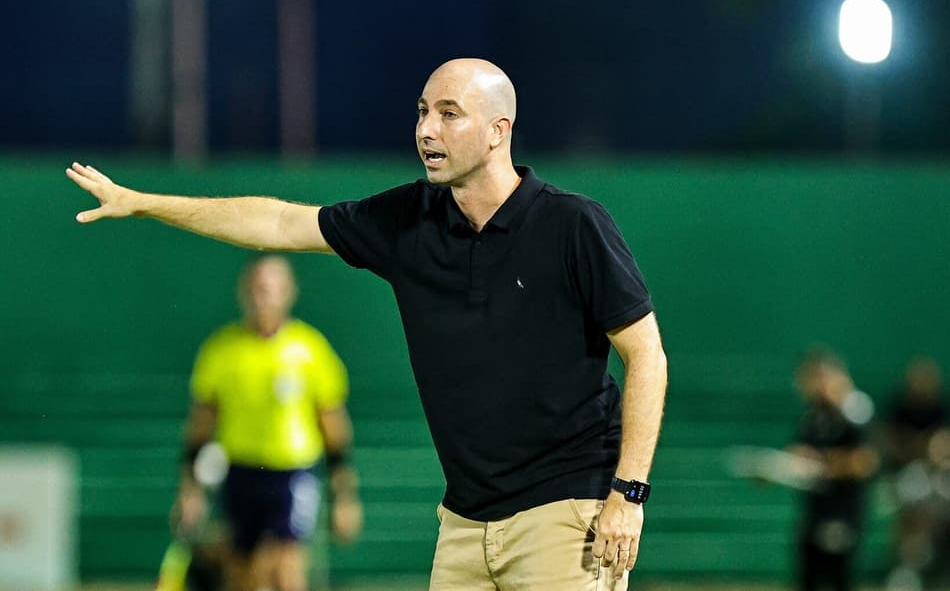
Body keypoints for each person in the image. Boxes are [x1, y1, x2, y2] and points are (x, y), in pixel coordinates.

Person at [66, 58, 667, 591]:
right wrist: (143, 201)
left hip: (566, 516)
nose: (426, 129)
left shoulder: (574, 225)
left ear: (497, 131)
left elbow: (646, 356)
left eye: (448, 114)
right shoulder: (408, 219)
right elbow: (276, 225)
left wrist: (628, 495)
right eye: (423, 111)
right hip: (462, 524)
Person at [172, 255, 363, 591]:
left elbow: (333, 427)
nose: (264, 298)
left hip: (293, 472)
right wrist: (190, 490)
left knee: (286, 570)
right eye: (258, 289)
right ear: (244, 293)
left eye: (273, 289)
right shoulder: (222, 350)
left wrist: (344, 496)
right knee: (243, 573)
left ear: (289, 293)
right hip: (240, 470)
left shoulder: (310, 350)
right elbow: (200, 424)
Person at [790, 346, 879, 591]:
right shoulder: (813, 413)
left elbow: (864, 461)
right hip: (815, 509)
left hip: (843, 510)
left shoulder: (854, 409)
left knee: (839, 579)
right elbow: (802, 452)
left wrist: (820, 464)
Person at [883, 357, 950, 591]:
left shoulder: (940, 407)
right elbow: (892, 442)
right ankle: (908, 569)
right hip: (909, 472)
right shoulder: (900, 407)